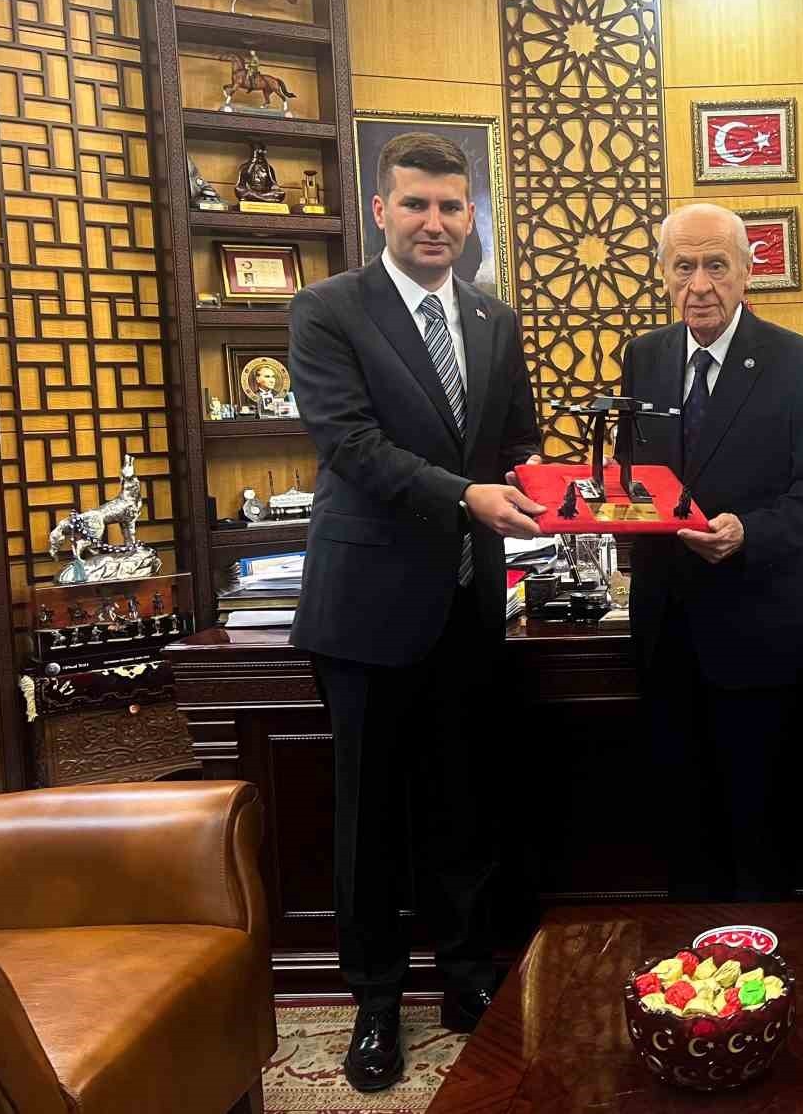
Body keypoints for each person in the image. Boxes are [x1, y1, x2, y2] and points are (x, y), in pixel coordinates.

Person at [287, 131, 546, 1093]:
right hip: (366, 609)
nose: (434, 222)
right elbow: (350, 444)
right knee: (370, 817)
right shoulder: (328, 310)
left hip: (469, 603)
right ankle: (376, 1002)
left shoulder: (492, 318)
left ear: (471, 215)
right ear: (381, 211)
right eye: (415, 204)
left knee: (461, 800)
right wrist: (468, 496)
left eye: (450, 206)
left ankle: (468, 980)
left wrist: (562, 488)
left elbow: (515, 440)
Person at [620, 202, 803, 902]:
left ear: (749, 271)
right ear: (663, 273)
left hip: (758, 636)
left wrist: (750, 532)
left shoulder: (799, 363)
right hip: (665, 633)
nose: (700, 285)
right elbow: (632, 480)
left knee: (760, 831)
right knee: (682, 830)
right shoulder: (644, 358)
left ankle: (763, 959)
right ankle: (689, 963)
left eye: (716, 266)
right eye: (683, 266)